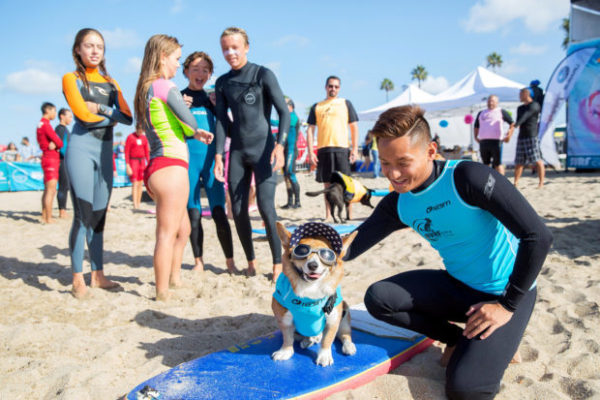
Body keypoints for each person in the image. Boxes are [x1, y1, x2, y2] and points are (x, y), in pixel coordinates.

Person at [344, 105, 552, 400]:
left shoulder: (468, 178)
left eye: (403, 162)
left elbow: (538, 236)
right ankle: (455, 338)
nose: (393, 174)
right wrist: (308, 247)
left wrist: (506, 306)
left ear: (431, 150)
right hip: (459, 289)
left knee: (465, 390)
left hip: (506, 293)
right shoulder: (399, 203)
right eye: (385, 162)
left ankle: (501, 338)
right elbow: (351, 246)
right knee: (379, 298)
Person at [134, 34, 213, 301]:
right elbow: (189, 123)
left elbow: (177, 126)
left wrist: (195, 131)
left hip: (159, 165)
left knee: (183, 229)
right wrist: (190, 119)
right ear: (162, 58)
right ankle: (162, 291)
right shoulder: (165, 86)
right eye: (177, 59)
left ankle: (175, 279)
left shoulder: (147, 88)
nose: (179, 66)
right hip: (171, 166)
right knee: (167, 234)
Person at [213, 26, 290, 280]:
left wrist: (280, 145)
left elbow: (284, 112)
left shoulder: (262, 74)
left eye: (235, 47)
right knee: (237, 210)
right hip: (237, 152)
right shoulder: (223, 82)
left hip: (264, 150)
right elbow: (222, 122)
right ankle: (251, 261)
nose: (230, 52)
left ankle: (278, 263)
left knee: (267, 209)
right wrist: (218, 156)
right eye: (225, 48)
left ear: (246, 47)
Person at [62, 28, 133, 299]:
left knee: (100, 217)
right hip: (81, 149)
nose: (94, 51)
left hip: (104, 153)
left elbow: (128, 118)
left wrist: (103, 109)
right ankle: (77, 277)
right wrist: (111, 117)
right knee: (82, 215)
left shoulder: (111, 83)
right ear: (77, 49)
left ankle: (98, 275)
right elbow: (82, 116)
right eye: (89, 46)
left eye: (99, 47)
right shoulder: (71, 79)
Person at [181, 50, 237, 274]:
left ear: (211, 74)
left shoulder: (213, 100)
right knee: (193, 213)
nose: (200, 73)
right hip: (189, 163)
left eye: (205, 70)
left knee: (219, 213)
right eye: (195, 69)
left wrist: (221, 107)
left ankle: (230, 262)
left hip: (212, 163)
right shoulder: (179, 98)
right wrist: (179, 110)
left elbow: (229, 130)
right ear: (186, 71)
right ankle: (198, 261)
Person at [306, 75, 359, 220]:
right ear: (325, 87)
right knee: (327, 186)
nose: (333, 89)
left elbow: (354, 127)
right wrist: (311, 152)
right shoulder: (317, 106)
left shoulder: (345, 103)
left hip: (342, 148)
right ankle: (328, 215)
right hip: (324, 150)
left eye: (336, 86)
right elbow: (310, 130)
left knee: (346, 184)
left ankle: (349, 215)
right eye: (330, 86)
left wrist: (354, 149)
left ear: (339, 88)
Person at [509, 88, 545, 188]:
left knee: (537, 160)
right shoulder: (520, 108)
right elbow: (518, 120)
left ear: (526, 94)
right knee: (519, 161)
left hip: (532, 136)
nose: (519, 97)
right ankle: (516, 182)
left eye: (521, 95)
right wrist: (512, 128)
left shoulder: (535, 105)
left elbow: (525, 116)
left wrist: (515, 125)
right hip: (522, 136)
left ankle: (541, 183)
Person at [473, 95, 515, 175]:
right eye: (489, 101)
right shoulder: (481, 113)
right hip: (483, 141)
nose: (490, 103)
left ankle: (502, 182)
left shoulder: (501, 111)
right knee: (485, 163)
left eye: (492, 101)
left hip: (496, 141)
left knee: (497, 163)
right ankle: (485, 181)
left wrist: (509, 136)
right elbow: (476, 126)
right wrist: (475, 137)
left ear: (497, 102)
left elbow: (512, 124)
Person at [36, 102, 63, 224]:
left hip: (47, 157)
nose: (55, 114)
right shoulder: (46, 125)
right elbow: (59, 141)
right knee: (51, 190)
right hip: (51, 158)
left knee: (47, 189)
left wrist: (55, 144)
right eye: (54, 111)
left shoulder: (40, 124)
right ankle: (49, 217)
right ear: (48, 110)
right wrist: (56, 144)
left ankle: (44, 215)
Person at [281, 97, 301, 209]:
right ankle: (289, 202)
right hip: (285, 149)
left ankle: (297, 202)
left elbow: (279, 123)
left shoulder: (292, 117)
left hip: (291, 150)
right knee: (285, 176)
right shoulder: (286, 117)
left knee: (290, 173)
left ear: (291, 106)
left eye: (285, 104)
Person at [124, 124, 150, 209]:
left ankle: (138, 203)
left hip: (142, 161)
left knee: (140, 183)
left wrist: (148, 163)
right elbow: (126, 152)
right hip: (133, 161)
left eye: (141, 131)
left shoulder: (144, 138)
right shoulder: (130, 137)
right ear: (136, 129)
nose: (140, 133)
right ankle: (135, 204)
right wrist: (128, 165)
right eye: (139, 131)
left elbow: (146, 151)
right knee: (135, 183)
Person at [55, 108, 73, 218]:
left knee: (65, 186)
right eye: (69, 116)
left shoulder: (65, 129)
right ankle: (62, 210)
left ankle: (63, 209)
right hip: (62, 160)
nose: (71, 119)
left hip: (65, 160)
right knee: (63, 186)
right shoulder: (60, 129)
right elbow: (62, 146)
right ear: (62, 116)